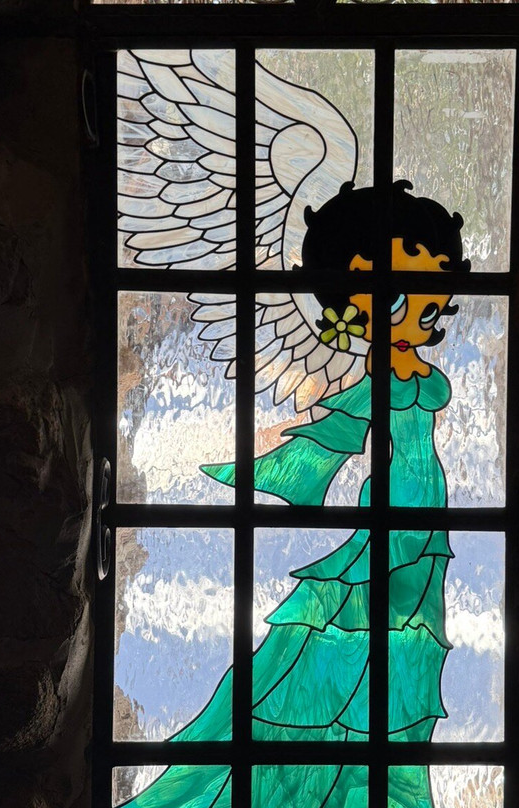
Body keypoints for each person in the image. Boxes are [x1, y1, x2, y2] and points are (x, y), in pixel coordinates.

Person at [121, 181, 470, 808]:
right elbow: (339, 434)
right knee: (349, 644)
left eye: (428, 306)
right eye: (397, 299)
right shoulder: (382, 374)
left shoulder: (411, 370)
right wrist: (276, 473)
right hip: (394, 514)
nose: (415, 317)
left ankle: (382, 780)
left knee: (404, 644)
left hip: (425, 522)